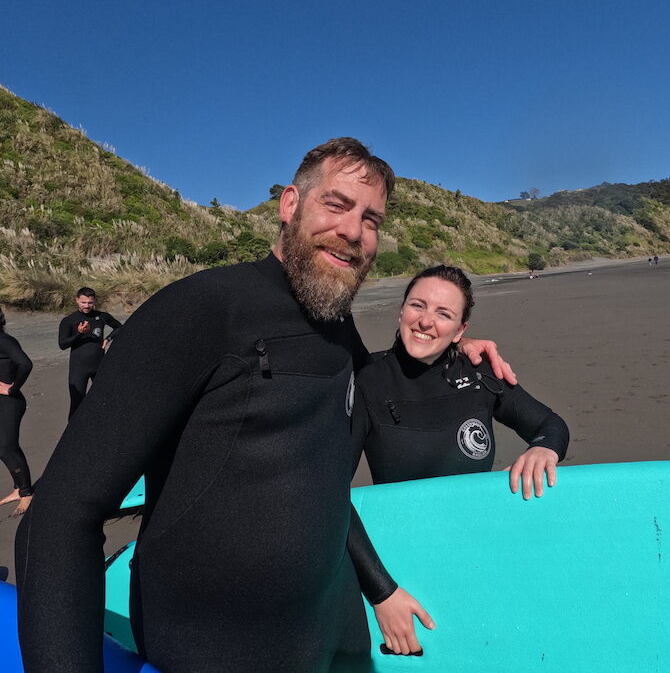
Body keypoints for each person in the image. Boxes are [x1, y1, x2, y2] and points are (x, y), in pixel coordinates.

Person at [16, 138, 512, 673]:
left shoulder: (336, 324)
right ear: (290, 205)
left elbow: (334, 420)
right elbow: (60, 517)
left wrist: (449, 351)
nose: (352, 231)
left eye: (372, 219)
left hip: (331, 634)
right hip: (218, 648)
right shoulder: (201, 309)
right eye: (337, 205)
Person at [351, 265, 570, 654]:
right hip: (400, 566)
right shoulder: (367, 380)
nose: (425, 321)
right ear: (401, 311)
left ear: (461, 329)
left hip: (478, 556)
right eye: (417, 305)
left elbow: (550, 424)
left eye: (444, 314)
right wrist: (382, 593)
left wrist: (543, 448)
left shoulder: (481, 373)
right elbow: (329, 489)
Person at [58, 288, 122, 418]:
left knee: (104, 399)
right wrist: (79, 333)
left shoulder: (102, 316)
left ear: (94, 301)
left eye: (90, 303)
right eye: (83, 302)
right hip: (79, 368)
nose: (87, 306)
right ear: (77, 300)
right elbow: (62, 344)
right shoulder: (69, 320)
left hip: (99, 365)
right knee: (77, 403)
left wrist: (108, 339)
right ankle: (73, 435)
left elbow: (119, 327)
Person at [0, 308, 34, 517]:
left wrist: (11, 388)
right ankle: (18, 488)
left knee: (5, 447)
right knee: (5, 446)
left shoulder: (4, 340)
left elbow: (25, 363)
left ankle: (26, 493)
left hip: (10, 402)